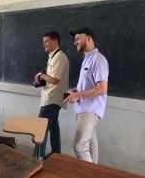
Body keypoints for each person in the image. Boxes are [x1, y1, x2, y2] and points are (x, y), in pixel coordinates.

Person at [65, 27, 109, 163]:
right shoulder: (87, 58)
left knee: (79, 146)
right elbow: (90, 84)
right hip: (84, 108)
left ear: (89, 39)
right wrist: (76, 90)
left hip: (90, 110)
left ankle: (88, 174)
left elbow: (102, 88)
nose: (75, 42)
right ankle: (94, 172)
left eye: (78, 38)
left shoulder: (98, 59)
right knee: (90, 144)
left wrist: (78, 96)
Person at [33, 31, 69, 160]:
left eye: (46, 41)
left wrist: (41, 75)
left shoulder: (60, 57)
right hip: (51, 97)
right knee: (53, 127)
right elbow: (51, 79)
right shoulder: (53, 56)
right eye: (43, 42)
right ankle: (56, 155)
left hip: (52, 99)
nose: (44, 44)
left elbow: (55, 80)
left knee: (39, 129)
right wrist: (41, 79)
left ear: (55, 41)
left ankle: (37, 158)